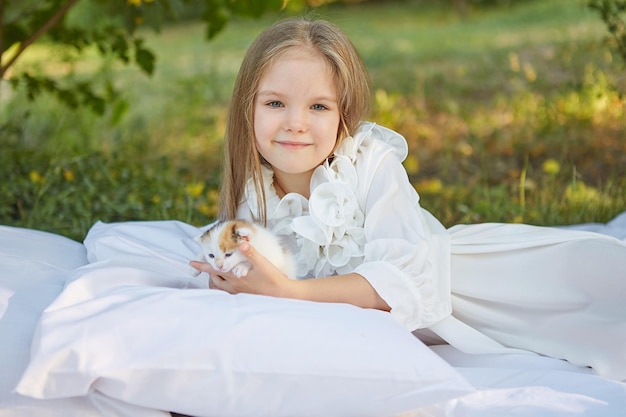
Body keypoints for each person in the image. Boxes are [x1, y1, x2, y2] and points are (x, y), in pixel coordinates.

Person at [190, 17, 626, 381]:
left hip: (484, 287)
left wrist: (288, 291)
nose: (295, 123)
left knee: (597, 299)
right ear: (247, 108)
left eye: (319, 107)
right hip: (437, 326)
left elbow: (403, 280)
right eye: (275, 103)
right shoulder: (254, 193)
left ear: (345, 112)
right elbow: (257, 282)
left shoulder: (371, 161)